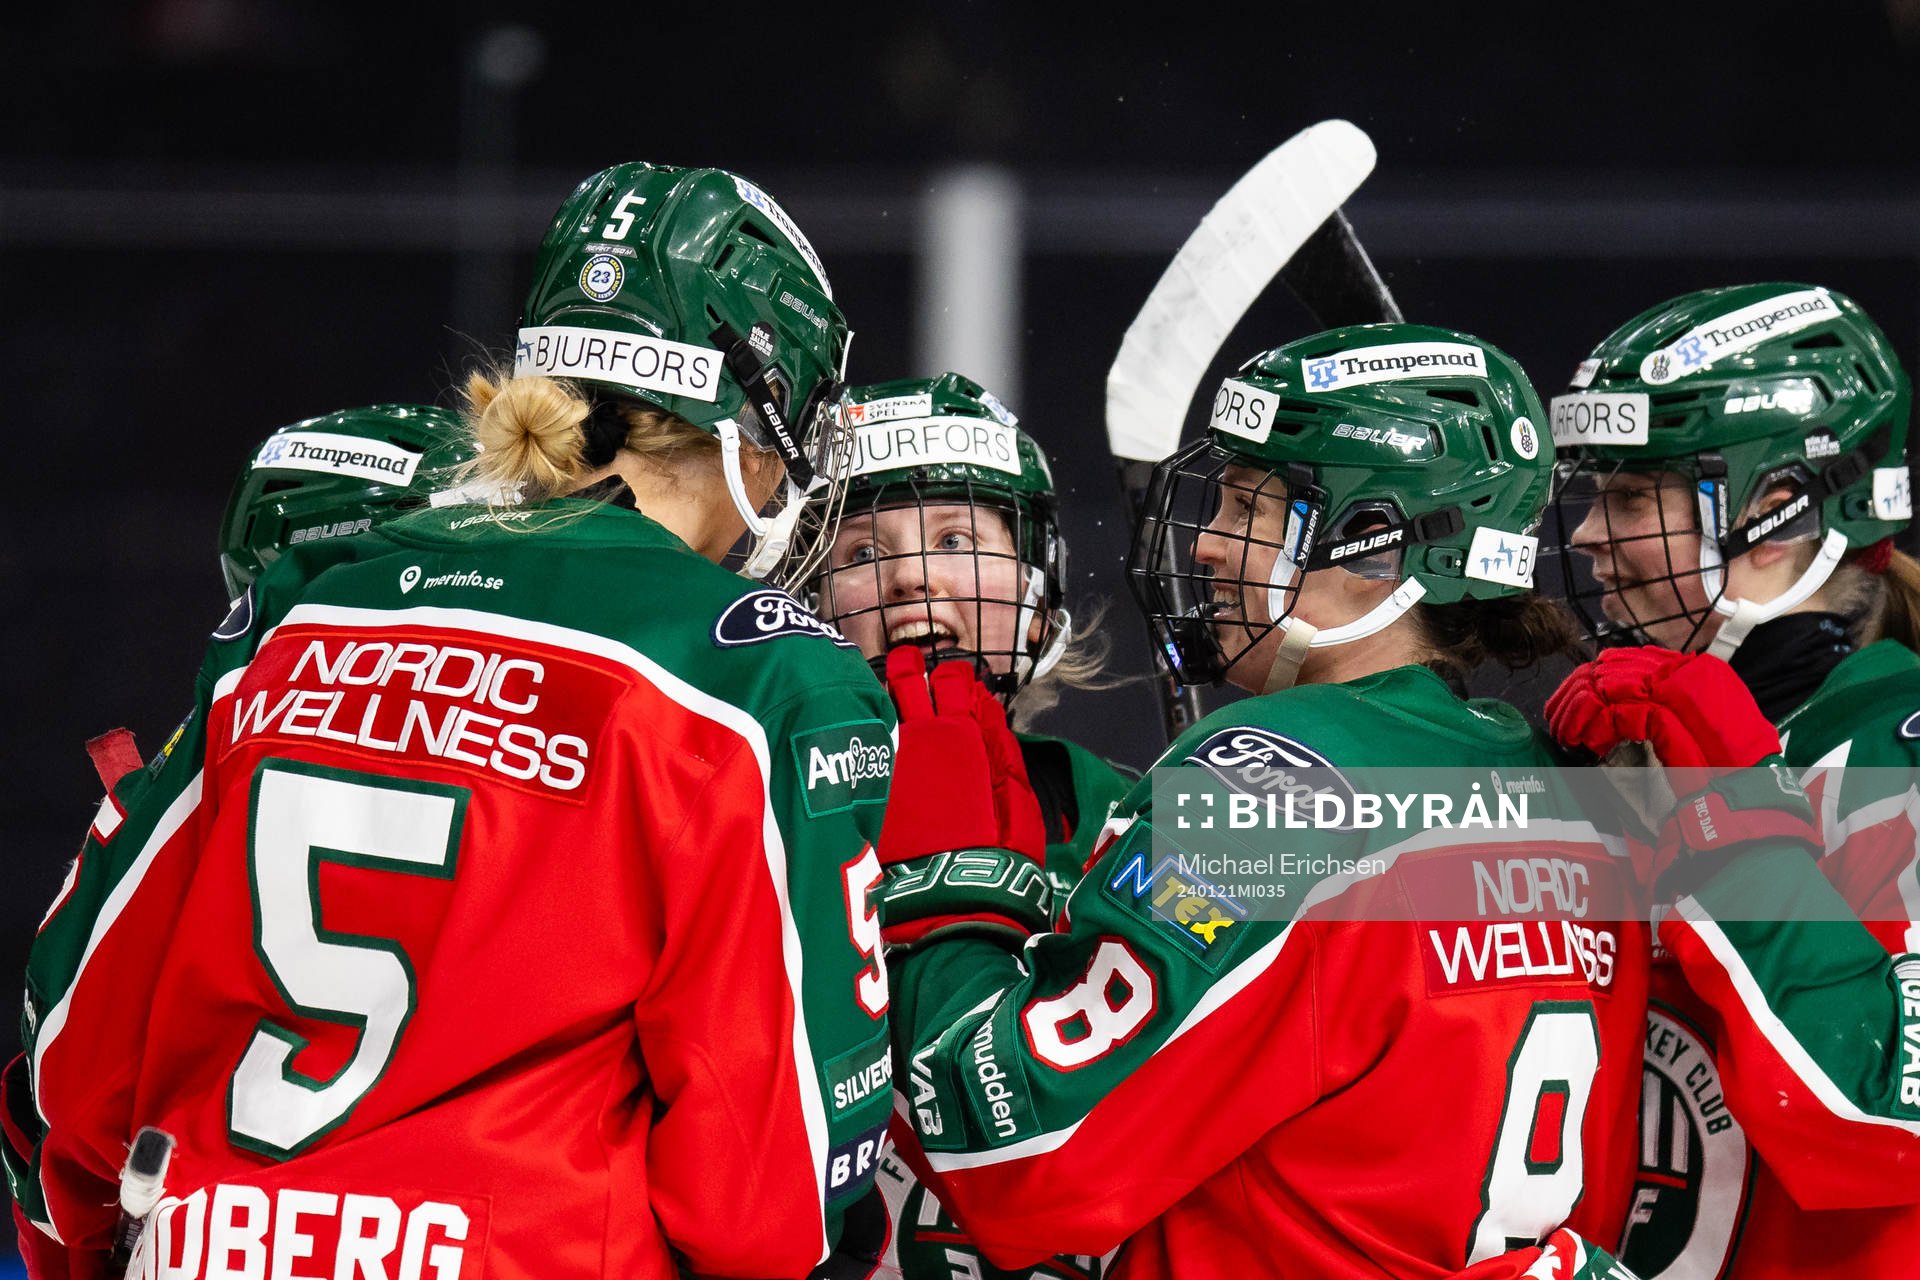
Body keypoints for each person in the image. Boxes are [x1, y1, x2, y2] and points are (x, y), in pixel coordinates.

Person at [8, 162, 893, 1280]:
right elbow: (763, 1195)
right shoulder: (759, 679)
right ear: (755, 412)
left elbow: (73, 1055)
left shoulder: (297, 600)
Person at [873, 324, 1664, 1277]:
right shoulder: (1574, 792)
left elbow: (1020, 1155)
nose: (1205, 544)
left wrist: (947, 895)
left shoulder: (1271, 779)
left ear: (1372, 547)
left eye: (1250, 505)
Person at [1547, 282, 1920, 1280]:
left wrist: (1722, 782)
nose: (1584, 535)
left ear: (1777, 512)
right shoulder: (1643, 746)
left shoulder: (1898, 753)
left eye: (1630, 496)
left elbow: (1881, 1121)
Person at [805, 373, 1132, 1280]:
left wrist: (1562, 804)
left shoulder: (1139, 809)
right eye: (862, 549)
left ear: (1035, 585)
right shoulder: (747, 803)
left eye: (955, 538)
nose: (911, 575)